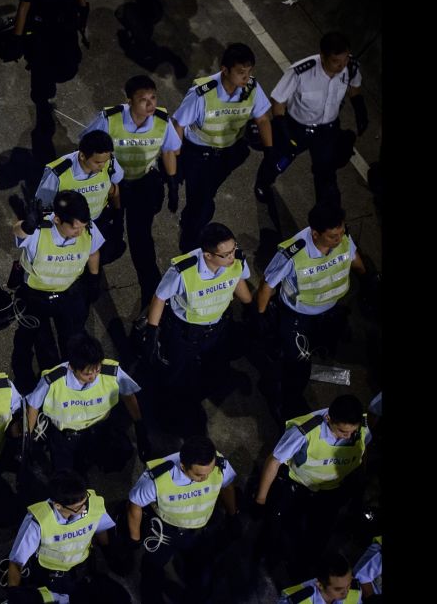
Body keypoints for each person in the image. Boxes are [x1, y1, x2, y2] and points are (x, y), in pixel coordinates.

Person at [255, 203, 372, 420]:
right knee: (298, 367)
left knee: (324, 344)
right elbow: (267, 285)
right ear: (315, 233)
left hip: (327, 312)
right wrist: (260, 316)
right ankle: (286, 403)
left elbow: (353, 257)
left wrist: (365, 278)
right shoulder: (293, 253)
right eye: (332, 237)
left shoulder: (341, 236)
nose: (338, 240)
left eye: (340, 233)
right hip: (297, 317)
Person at [81, 75, 181, 308]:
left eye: (153, 97)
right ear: (128, 101)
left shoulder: (161, 120)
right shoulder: (109, 119)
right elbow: (86, 147)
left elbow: (168, 151)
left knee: (142, 241)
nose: (150, 104)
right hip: (111, 187)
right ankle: (91, 274)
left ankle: (151, 294)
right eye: (143, 99)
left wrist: (173, 183)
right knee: (102, 235)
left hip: (142, 185)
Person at [141, 222, 252, 432]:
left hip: (216, 327)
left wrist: (250, 306)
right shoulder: (183, 271)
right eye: (225, 254)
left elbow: (237, 279)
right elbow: (159, 298)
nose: (232, 256)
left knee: (213, 366)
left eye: (233, 249)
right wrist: (152, 331)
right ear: (208, 255)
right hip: (184, 332)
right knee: (176, 375)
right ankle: (165, 413)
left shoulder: (234, 260)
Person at [254, 395, 371, 581]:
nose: (348, 437)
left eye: (352, 431)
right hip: (298, 487)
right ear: (329, 419)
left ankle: (303, 567)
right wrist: (261, 499)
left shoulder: (362, 428)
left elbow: (363, 452)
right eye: (342, 431)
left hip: (331, 490)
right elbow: (274, 461)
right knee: (279, 525)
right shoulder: (303, 432)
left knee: (319, 534)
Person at [171, 42, 272, 252]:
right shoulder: (202, 93)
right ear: (224, 70)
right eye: (241, 72)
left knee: (204, 196)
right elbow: (178, 124)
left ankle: (191, 217)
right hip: (198, 155)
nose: (246, 77)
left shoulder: (251, 88)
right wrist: (177, 159)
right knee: (203, 204)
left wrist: (270, 151)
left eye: (249, 71)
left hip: (227, 154)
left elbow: (262, 119)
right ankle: (189, 245)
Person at [254, 31, 367, 208]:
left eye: (345, 59)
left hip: (327, 130)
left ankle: (325, 214)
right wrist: (281, 126)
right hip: (297, 127)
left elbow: (354, 87)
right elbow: (278, 100)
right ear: (322, 56)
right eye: (336, 61)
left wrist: (360, 110)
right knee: (279, 160)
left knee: (326, 173)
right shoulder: (302, 71)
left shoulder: (350, 67)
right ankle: (263, 182)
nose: (341, 66)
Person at [127, 436, 238, 604]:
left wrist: (233, 514)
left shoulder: (219, 464)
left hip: (198, 532)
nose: (206, 478)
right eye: (199, 475)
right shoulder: (157, 479)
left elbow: (227, 486)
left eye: (210, 471)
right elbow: (135, 504)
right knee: (152, 572)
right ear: (183, 466)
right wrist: (134, 539)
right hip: (165, 533)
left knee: (199, 573)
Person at [10, 191, 102, 392]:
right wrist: (26, 225)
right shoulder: (39, 231)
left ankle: (70, 384)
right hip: (36, 296)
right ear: (58, 220)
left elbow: (94, 251)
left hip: (69, 293)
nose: (80, 232)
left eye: (83, 227)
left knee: (72, 339)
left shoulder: (87, 229)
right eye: (75, 228)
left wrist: (94, 278)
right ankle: (36, 383)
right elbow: (18, 233)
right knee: (40, 345)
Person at [25, 332, 148, 474]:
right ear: (71, 367)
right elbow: (33, 405)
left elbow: (128, 394)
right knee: (65, 478)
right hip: (66, 438)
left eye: (97, 369)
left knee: (121, 452)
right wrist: (27, 438)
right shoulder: (52, 380)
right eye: (87, 374)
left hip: (99, 431)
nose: (94, 376)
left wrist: (139, 425)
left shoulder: (111, 372)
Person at [3, 0, 89, 163]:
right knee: (41, 76)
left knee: (68, 69)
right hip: (42, 31)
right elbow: (24, 6)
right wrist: (17, 39)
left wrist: (82, 10)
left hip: (65, 27)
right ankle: (42, 104)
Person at [6, 470, 115, 599]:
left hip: (84, 568)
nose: (84, 509)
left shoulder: (93, 504)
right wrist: (14, 596)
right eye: (78, 507)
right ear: (57, 505)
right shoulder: (38, 522)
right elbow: (16, 563)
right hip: (53, 579)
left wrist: (109, 552)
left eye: (85, 502)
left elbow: (101, 529)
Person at [34, 131, 125, 264]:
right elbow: (43, 205)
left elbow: (113, 189)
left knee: (109, 251)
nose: (102, 166)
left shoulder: (109, 162)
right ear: (82, 155)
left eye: (105, 161)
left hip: (98, 221)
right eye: (97, 162)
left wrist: (118, 214)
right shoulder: (57, 174)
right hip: (70, 227)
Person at [278, 552, 362, 604]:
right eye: (338, 589)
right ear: (320, 585)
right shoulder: (298, 601)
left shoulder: (355, 590)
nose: (346, 592)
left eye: (348, 585)